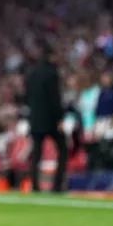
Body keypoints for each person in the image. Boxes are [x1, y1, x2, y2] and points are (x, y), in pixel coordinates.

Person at [25, 42, 67, 193]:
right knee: (62, 150)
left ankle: (35, 186)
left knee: (36, 154)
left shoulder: (32, 73)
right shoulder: (52, 73)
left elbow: (27, 96)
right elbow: (55, 99)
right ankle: (57, 186)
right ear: (51, 56)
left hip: (35, 120)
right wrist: (60, 118)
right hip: (50, 121)